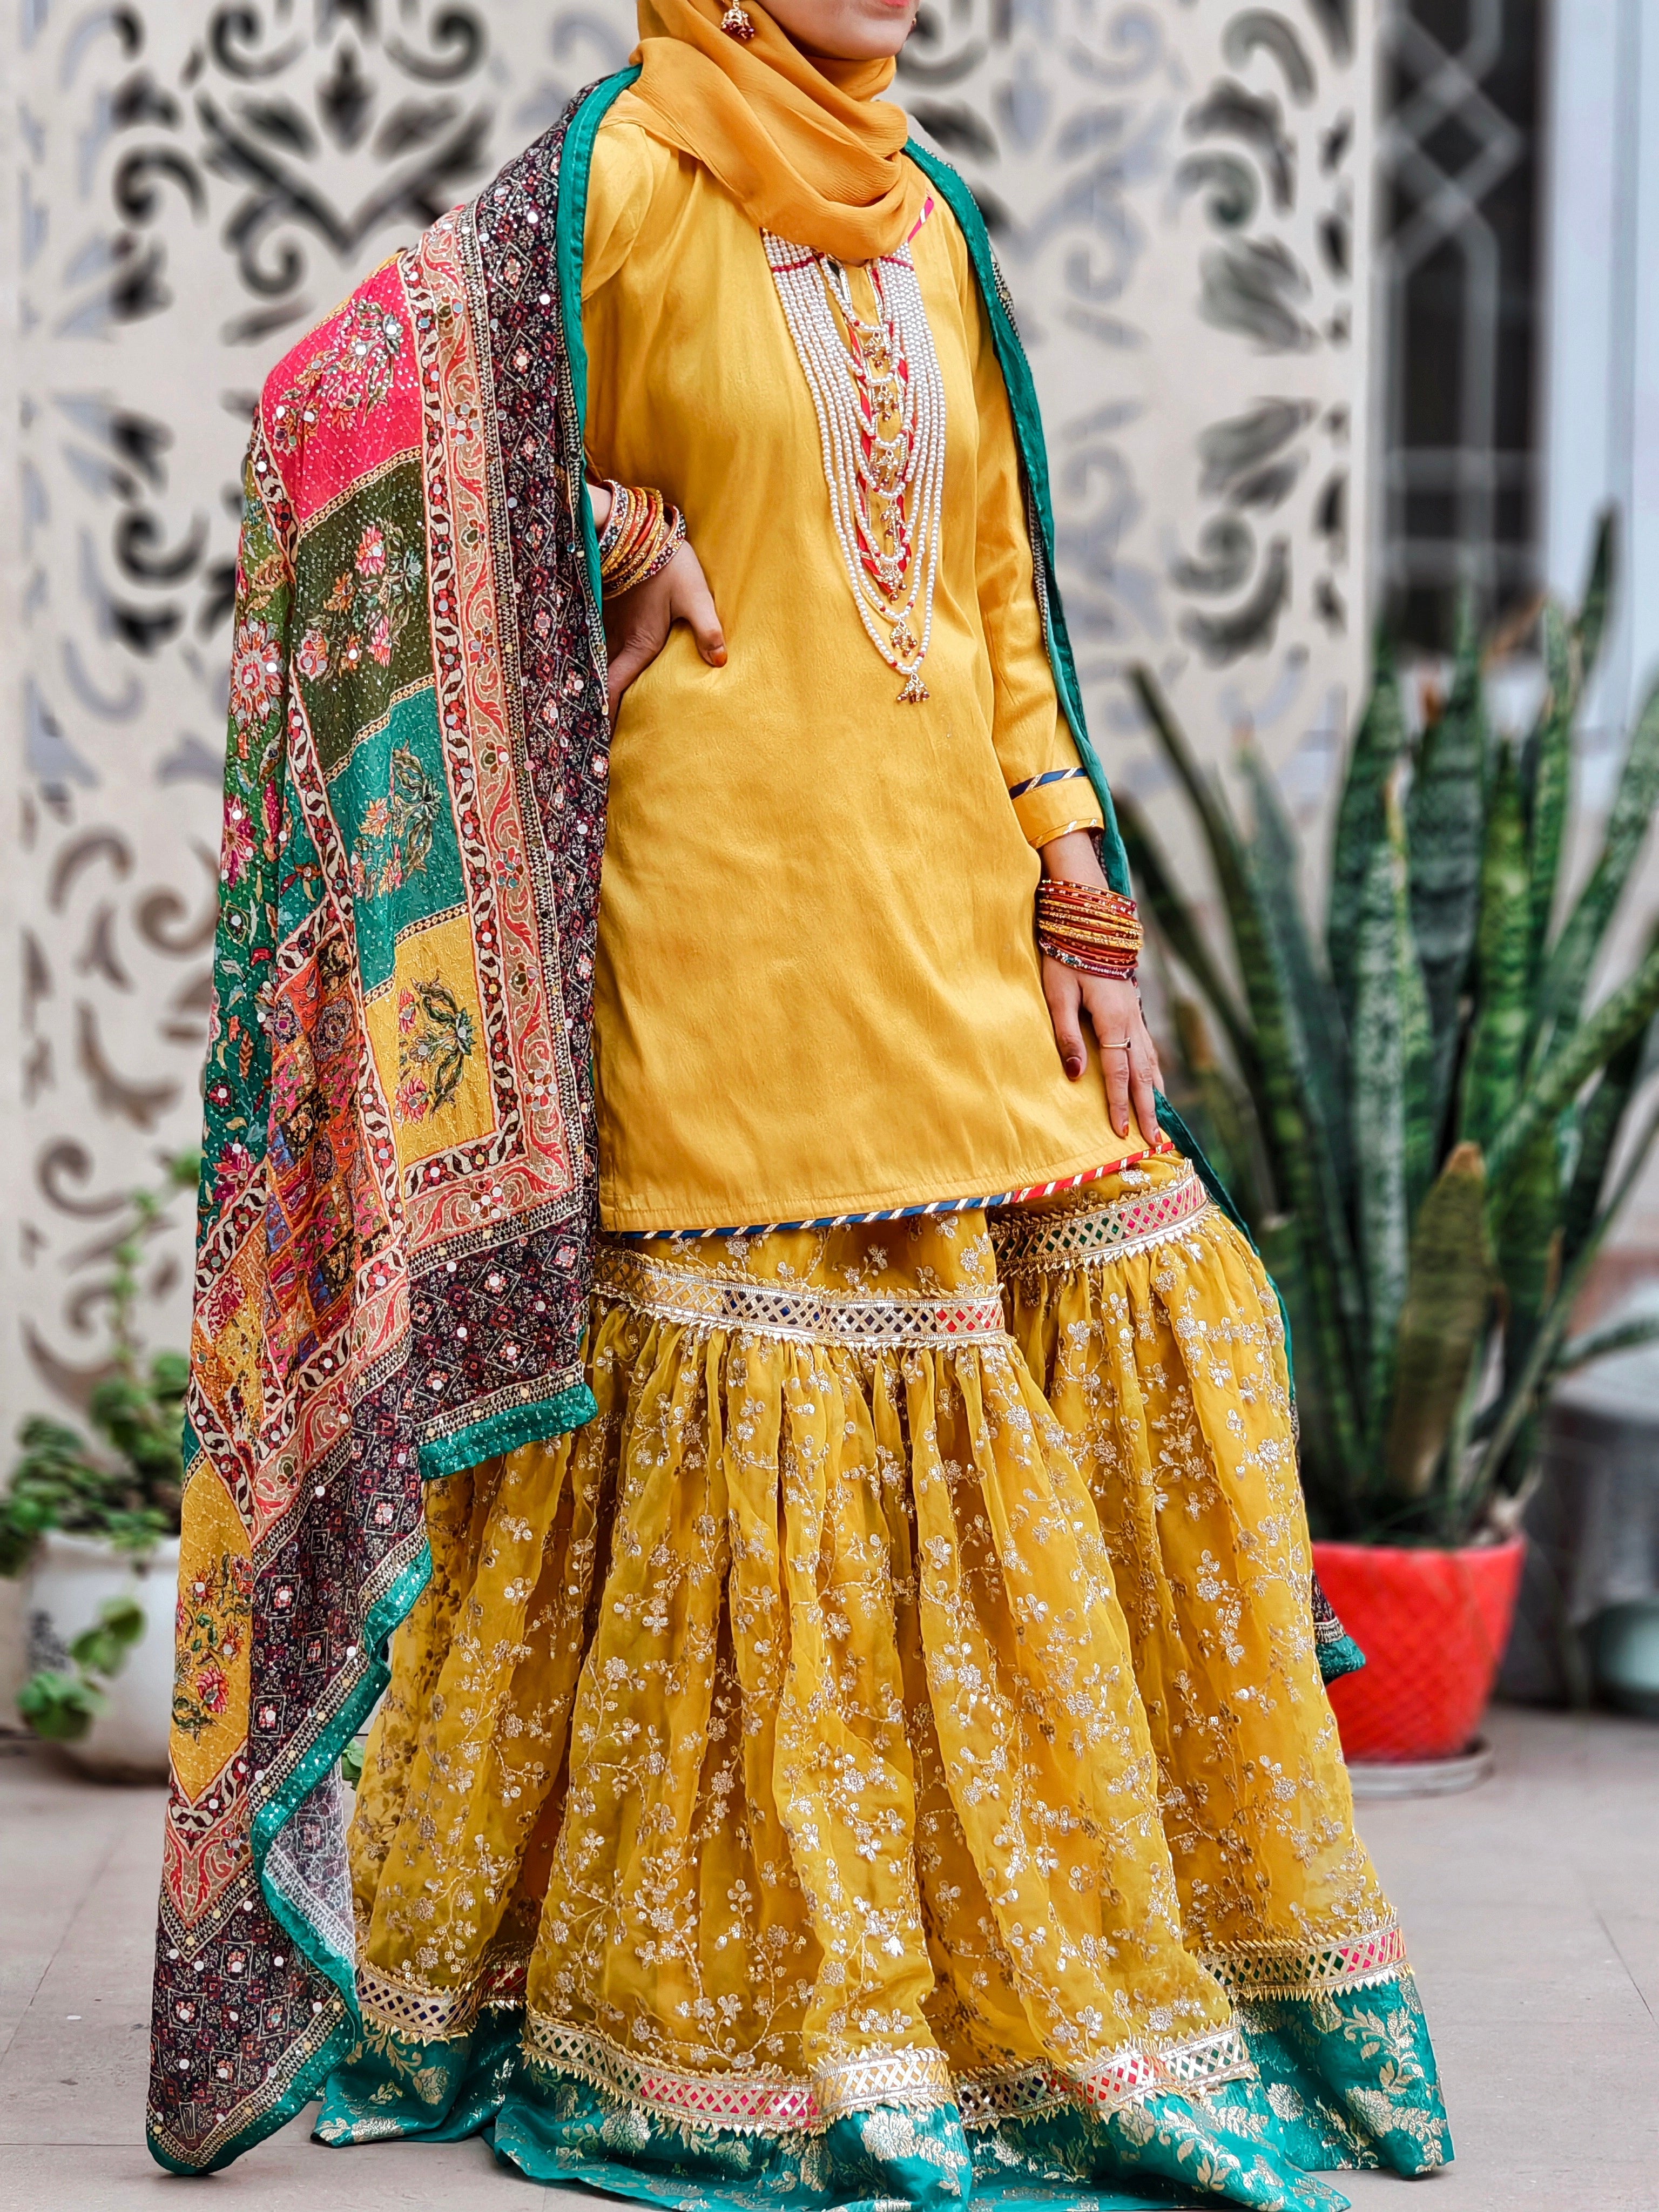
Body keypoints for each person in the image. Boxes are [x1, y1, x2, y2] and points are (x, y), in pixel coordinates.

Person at [146, 0, 1450, 2201]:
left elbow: (994, 587)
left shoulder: (925, 211)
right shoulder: (620, 187)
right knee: (774, 1422)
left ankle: (1038, 1970)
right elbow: (338, 421)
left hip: (942, 891)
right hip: (714, 913)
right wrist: (601, 531)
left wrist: (1074, 874)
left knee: (1161, 1293)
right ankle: (737, 2010)